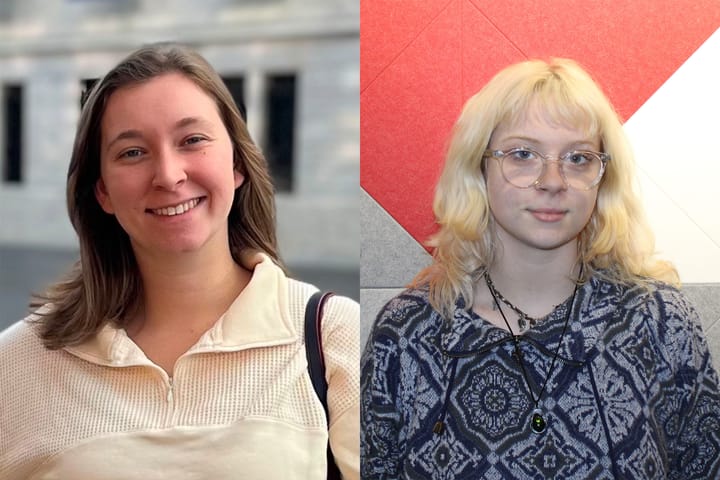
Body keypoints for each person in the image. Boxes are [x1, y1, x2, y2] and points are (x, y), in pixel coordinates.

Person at [0, 43, 359, 479]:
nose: (169, 175)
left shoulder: (333, 338)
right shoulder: (18, 362)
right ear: (103, 192)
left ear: (237, 165)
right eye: (132, 152)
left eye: (192, 140)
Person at [360, 58, 720, 479]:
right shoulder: (406, 334)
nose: (552, 181)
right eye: (523, 154)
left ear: (604, 177)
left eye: (579, 158)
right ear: (480, 168)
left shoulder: (661, 325)